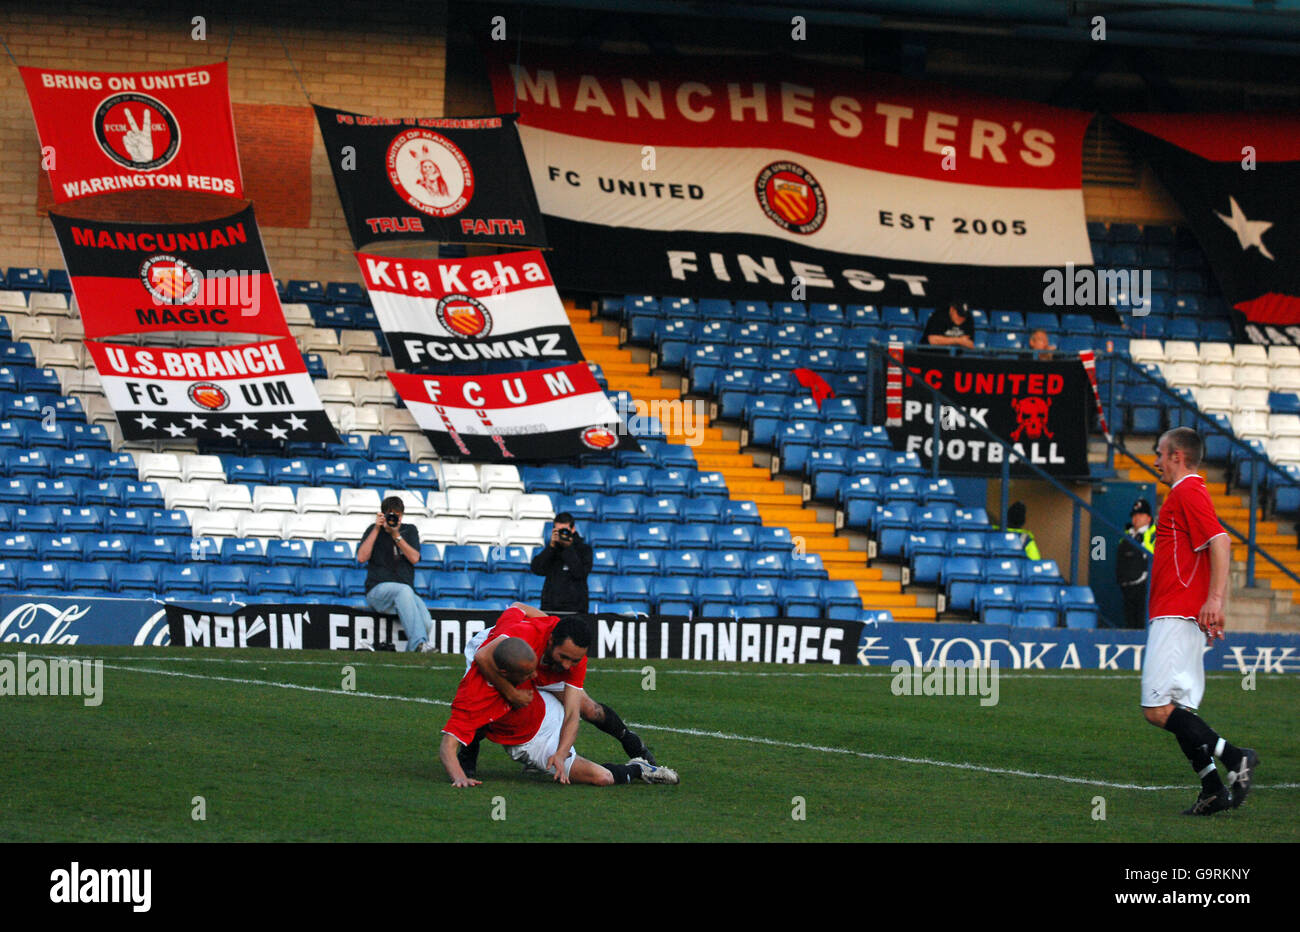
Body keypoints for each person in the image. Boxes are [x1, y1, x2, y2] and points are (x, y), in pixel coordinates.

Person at [1141, 427, 1257, 815]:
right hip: (1179, 613)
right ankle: (1211, 789)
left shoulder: (1187, 490)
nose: (1155, 460)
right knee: (1178, 712)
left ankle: (1236, 756)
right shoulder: (1185, 493)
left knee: (1158, 710)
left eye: (1159, 452)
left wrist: (1215, 599)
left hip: (1177, 613)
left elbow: (1221, 541)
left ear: (1176, 455)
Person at [438, 635, 678, 787]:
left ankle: (633, 743)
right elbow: (448, 745)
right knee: (603, 778)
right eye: (527, 674)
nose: (535, 676)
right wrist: (460, 776)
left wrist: (563, 751)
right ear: (503, 674)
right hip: (534, 743)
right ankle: (639, 768)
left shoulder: (525, 637)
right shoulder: (474, 695)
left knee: (589, 708)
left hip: (548, 709)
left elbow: (520, 607)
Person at [456, 603, 656, 777]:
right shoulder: (525, 635)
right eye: (564, 657)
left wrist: (561, 753)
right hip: (492, 654)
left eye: (575, 660)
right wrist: (511, 693)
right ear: (551, 641)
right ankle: (468, 751)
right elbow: (483, 656)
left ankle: (630, 740)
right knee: (491, 697)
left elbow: (572, 714)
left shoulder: (572, 659)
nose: (569, 666)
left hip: (544, 667)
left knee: (589, 708)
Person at [356, 495, 434, 653]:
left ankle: (411, 654)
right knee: (404, 590)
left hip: (405, 593)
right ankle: (419, 645)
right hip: (378, 590)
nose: (395, 518)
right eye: (391, 515)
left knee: (426, 621)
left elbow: (414, 558)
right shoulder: (373, 530)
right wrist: (377, 529)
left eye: (398, 515)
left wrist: (396, 535)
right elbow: (361, 558)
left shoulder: (409, 530)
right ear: (383, 515)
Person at [529, 512, 593, 613]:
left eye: (565, 530)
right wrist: (551, 547)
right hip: (550, 607)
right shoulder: (552, 549)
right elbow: (536, 569)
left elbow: (580, 573)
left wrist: (568, 548)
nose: (562, 534)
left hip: (575, 609)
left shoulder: (584, 550)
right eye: (559, 531)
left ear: (573, 529)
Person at [1116, 497, 1157, 629]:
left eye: (1140, 514)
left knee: (1142, 621)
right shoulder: (1127, 534)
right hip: (1127, 585)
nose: (1136, 518)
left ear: (1149, 518)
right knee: (1129, 622)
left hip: (1145, 586)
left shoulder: (1154, 534)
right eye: (1134, 515)